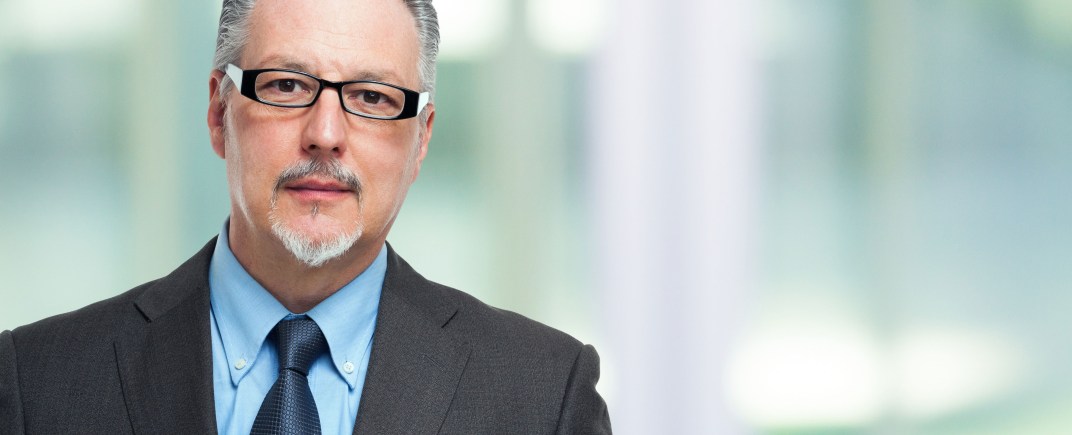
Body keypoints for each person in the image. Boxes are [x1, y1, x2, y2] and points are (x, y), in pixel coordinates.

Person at [0, 0, 611, 433]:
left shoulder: (543, 397)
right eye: (288, 86)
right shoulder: (36, 383)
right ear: (218, 113)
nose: (325, 134)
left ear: (421, 139)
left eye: (372, 97)